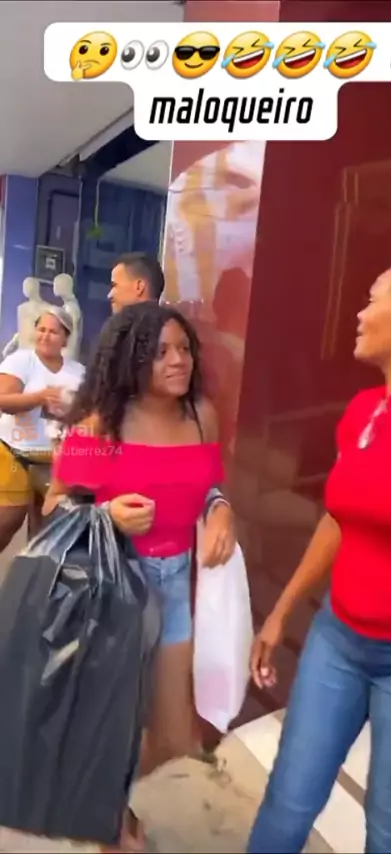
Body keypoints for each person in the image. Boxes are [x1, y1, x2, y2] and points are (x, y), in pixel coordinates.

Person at [247, 254, 391, 854]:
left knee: (390, 831)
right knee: (287, 799)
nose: (357, 312)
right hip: (339, 641)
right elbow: (339, 519)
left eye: (373, 297)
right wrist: (282, 611)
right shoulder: (363, 411)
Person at [42, 302, 236, 852]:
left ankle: (101, 794)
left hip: (173, 584)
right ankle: (111, 821)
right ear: (131, 359)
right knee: (113, 722)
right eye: (161, 352)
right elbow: (55, 506)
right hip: (113, 585)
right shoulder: (102, 422)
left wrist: (222, 509)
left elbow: (209, 486)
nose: (178, 361)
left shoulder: (201, 415)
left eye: (184, 349)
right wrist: (106, 515)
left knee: (175, 736)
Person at [0, 307, 85, 550]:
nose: (45, 336)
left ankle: (32, 573)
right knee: (7, 521)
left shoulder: (78, 372)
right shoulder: (20, 360)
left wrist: (71, 411)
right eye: (41, 329)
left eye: (53, 332)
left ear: (65, 338)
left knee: (45, 533)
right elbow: (4, 401)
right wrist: (40, 397)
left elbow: (86, 414)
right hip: (14, 453)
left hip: (55, 461)